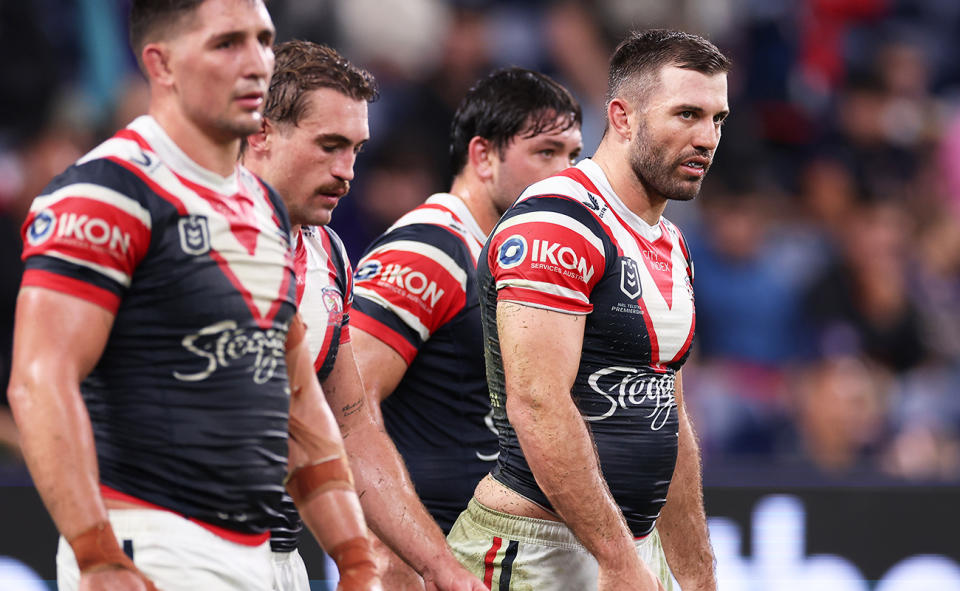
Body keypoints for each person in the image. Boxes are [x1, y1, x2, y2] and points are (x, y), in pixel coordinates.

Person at [7, 2, 379, 590]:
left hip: (263, 553)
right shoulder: (108, 190)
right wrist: (98, 555)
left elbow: (299, 406)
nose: (256, 62)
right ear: (162, 65)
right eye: (227, 43)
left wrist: (355, 557)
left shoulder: (262, 214)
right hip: (150, 543)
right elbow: (39, 381)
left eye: (263, 39)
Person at [446, 29, 728, 591]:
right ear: (622, 118)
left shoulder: (669, 238)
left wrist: (695, 572)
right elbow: (538, 404)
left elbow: (664, 410)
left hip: (627, 552)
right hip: (534, 553)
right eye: (687, 114)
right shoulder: (559, 221)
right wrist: (620, 562)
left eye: (718, 119)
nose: (707, 138)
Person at [242, 39, 485, 591]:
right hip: (172, 544)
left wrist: (442, 569)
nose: (347, 171)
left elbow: (353, 432)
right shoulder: (180, 232)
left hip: (279, 557)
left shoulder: (329, 255)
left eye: (355, 149)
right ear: (260, 134)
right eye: (329, 146)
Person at [349, 66, 583, 587]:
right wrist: (387, 557)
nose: (567, 174)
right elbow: (343, 410)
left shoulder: (513, 261)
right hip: (428, 563)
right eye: (546, 153)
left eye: (573, 156)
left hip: (484, 560)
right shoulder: (428, 250)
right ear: (482, 156)